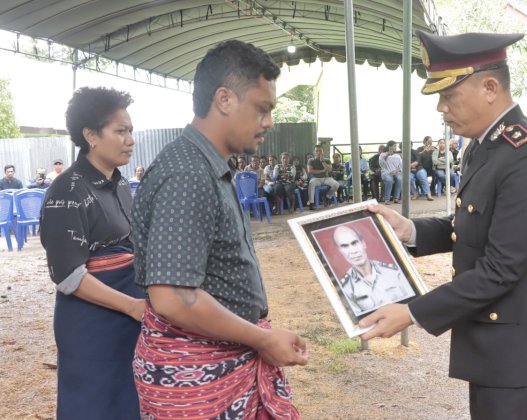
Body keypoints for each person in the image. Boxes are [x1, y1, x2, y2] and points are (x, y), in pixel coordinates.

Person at [360, 30, 527, 419]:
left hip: (524, 355)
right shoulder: (485, 146)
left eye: (448, 96)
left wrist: (412, 312)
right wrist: (409, 230)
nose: (441, 108)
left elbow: (500, 268)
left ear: (490, 87)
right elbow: (471, 226)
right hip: (500, 348)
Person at [130, 40, 308, 419]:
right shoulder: (188, 173)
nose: (269, 122)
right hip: (197, 378)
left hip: (220, 366)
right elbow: (174, 297)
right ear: (224, 99)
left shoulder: (207, 165)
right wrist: (262, 338)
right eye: (263, 109)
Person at [39, 87, 145, 419]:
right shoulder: (67, 190)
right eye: (121, 131)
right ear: (91, 135)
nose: (130, 140)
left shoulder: (122, 185)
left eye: (131, 131)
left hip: (127, 322)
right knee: (92, 405)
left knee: (127, 402)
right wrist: (132, 306)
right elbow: (68, 275)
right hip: (91, 326)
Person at [333, 225, 414, 315]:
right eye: (345, 246)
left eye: (355, 243)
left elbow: (412, 305)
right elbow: (357, 320)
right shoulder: (346, 288)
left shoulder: (395, 272)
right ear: (339, 250)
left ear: (363, 243)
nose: (353, 251)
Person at [307, 145, 339, 209]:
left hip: (326, 178)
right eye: (317, 151)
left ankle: (327, 197)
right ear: (314, 152)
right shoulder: (311, 160)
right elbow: (310, 171)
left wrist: (322, 161)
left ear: (323, 152)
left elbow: (329, 170)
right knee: (311, 183)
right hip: (316, 178)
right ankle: (311, 203)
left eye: (320, 151)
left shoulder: (327, 160)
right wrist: (323, 170)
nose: (318, 153)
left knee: (336, 184)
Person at [379, 140, 403, 204]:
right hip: (386, 172)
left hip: (396, 172)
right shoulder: (382, 154)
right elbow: (382, 164)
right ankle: (387, 199)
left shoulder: (397, 156)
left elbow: (401, 165)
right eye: (394, 146)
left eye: (396, 146)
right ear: (390, 147)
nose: (396, 147)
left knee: (400, 179)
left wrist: (397, 170)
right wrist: (387, 155)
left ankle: (396, 198)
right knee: (389, 180)